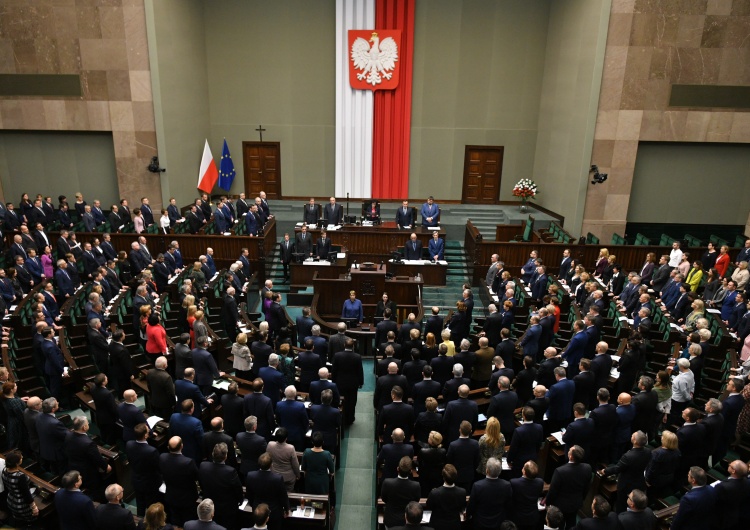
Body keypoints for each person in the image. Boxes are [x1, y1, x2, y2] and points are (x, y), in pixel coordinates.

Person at [602, 430, 652, 513]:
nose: (631, 436)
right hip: (639, 481)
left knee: (621, 504)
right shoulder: (648, 451)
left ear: (635, 441)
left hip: (626, 484)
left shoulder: (628, 456)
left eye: (633, 436)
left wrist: (605, 471)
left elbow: (617, 468)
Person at [197, 443, 243, 530]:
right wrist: (240, 500)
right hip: (227, 508)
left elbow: (201, 483)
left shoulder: (203, 466)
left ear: (212, 454)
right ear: (225, 457)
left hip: (209, 503)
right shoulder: (230, 471)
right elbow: (238, 488)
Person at [546, 445, 592, 529]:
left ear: (570, 456)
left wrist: (548, 503)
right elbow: (586, 488)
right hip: (576, 503)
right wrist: (581, 499)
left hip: (560, 506)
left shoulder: (560, 471)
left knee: (559, 525)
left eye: (569, 450)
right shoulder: (587, 468)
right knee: (572, 523)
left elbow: (553, 491)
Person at [245, 452, 290, 530]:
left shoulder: (250, 476)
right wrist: (287, 509)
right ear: (271, 465)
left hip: (257, 510)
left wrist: (253, 504)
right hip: (274, 512)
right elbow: (283, 496)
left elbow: (249, 494)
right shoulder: (277, 479)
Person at [126, 423, 162, 517]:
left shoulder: (129, 444)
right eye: (148, 430)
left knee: (140, 504)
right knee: (151, 506)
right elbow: (158, 467)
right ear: (146, 435)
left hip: (136, 480)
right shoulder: (151, 451)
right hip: (150, 483)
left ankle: (139, 521)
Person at [466, 457, 512, 530]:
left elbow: (472, 505)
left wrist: (467, 515)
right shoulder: (507, 485)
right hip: (499, 523)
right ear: (500, 471)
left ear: (486, 470)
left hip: (480, 523)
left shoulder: (477, 486)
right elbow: (509, 505)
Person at [381, 456, 421, 529]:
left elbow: (384, 499)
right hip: (407, 522)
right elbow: (416, 502)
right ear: (410, 471)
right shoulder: (416, 486)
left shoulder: (387, 483)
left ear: (397, 469)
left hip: (391, 520)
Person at [2, 451, 39, 527]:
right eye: (20, 458)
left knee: (20, 521)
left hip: (10, 500)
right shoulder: (20, 477)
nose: (22, 457)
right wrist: (34, 507)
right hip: (21, 504)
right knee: (31, 521)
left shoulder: (4, 470)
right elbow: (26, 494)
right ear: (16, 463)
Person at [426, 464, 466, 530]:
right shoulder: (462, 492)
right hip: (454, 525)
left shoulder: (434, 493)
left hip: (437, 525)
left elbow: (429, 506)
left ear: (443, 477)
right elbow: (461, 507)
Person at [644, 430, 681, 501]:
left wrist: (647, 480)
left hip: (655, 480)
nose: (661, 438)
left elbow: (652, 469)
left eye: (663, 437)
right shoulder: (677, 452)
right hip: (668, 477)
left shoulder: (657, 454)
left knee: (651, 495)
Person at [509, 461, 545, 530]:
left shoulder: (514, 483)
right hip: (533, 517)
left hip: (518, 518)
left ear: (524, 472)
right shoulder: (540, 482)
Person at [266, 427, 300, 491]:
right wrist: (298, 475)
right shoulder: (290, 448)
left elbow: (268, 459)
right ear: (286, 438)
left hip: (274, 475)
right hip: (288, 478)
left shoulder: (270, 444)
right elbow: (295, 465)